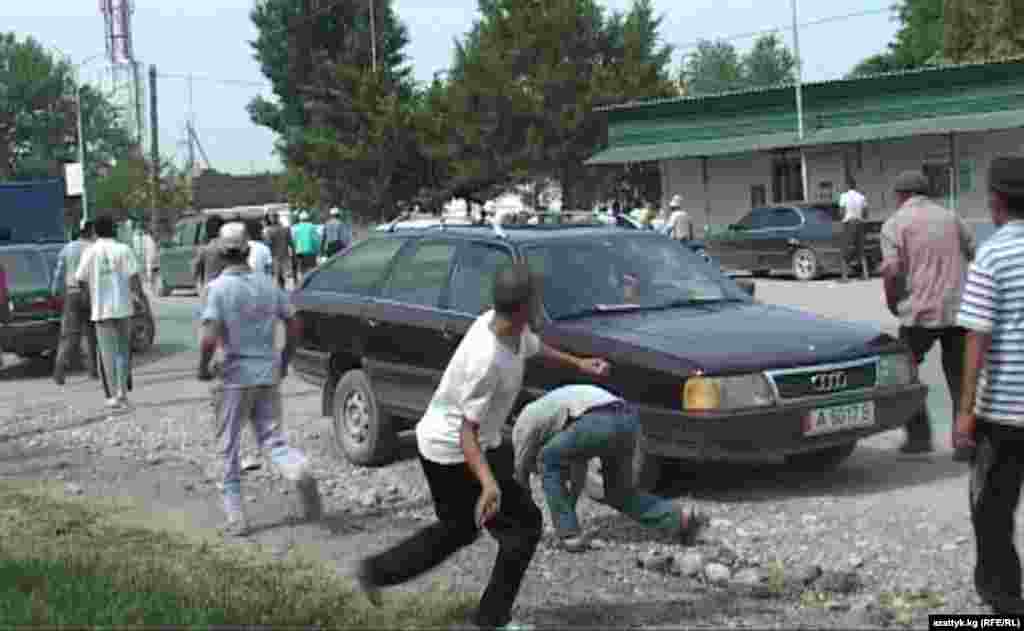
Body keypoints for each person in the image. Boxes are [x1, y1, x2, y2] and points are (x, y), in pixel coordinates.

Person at [355, 263, 611, 629]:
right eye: (537, 299)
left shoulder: (507, 325)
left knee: (458, 529)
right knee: (523, 528)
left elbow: (534, 348)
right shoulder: (486, 359)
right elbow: (466, 433)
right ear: (524, 307)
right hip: (452, 451)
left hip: (461, 444)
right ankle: (491, 620)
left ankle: (377, 571)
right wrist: (488, 482)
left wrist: (580, 364)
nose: (542, 304)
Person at [198, 222, 322, 536]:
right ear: (248, 250)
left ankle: (237, 519)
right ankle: (300, 470)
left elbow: (210, 336)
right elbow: (294, 324)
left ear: (221, 253)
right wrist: (284, 359)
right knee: (273, 442)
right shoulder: (269, 285)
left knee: (228, 446)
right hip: (268, 372)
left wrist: (203, 366)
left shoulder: (218, 289)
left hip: (233, 377)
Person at [513, 385, 709, 552]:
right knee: (619, 494)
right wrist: (568, 512)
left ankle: (568, 537)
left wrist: (525, 524)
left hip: (599, 418)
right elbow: (578, 470)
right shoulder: (557, 413)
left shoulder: (525, 418)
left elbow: (520, 475)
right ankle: (680, 519)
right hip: (628, 420)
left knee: (547, 459)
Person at [953, 156, 1024, 615]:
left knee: (992, 510)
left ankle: (1004, 604)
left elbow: (976, 340)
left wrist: (964, 414)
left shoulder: (993, 255)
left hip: (1004, 415)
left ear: (996, 202)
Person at [880, 170, 976, 458]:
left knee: (904, 372)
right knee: (961, 378)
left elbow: (892, 272)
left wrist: (893, 302)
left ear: (901, 195)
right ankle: (965, 443)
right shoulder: (952, 218)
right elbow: (973, 253)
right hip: (959, 310)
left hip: (918, 312)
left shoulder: (894, 224)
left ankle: (919, 437)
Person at [74, 214, 143, 409]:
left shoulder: (90, 251)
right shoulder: (123, 249)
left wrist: (88, 296)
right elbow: (134, 277)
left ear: (95, 231)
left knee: (107, 354)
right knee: (123, 352)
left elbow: (80, 278)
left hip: (101, 310)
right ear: (114, 230)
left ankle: (111, 396)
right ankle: (122, 392)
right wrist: (138, 298)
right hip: (123, 308)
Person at [52, 219, 99, 385]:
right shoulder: (94, 249)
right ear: (91, 232)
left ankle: (59, 369)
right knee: (92, 334)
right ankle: (93, 370)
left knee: (69, 336)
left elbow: (58, 273)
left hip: (71, 295)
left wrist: (55, 291)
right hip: (91, 295)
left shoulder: (67, 248)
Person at [839, 180, 870, 281]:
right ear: (855, 186)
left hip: (849, 224)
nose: (843, 187)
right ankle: (865, 275)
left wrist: (841, 217)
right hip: (860, 224)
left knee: (845, 250)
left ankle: (845, 276)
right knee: (861, 249)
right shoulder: (861, 197)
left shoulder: (843, 196)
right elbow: (866, 214)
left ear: (848, 185)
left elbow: (842, 212)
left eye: (844, 185)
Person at [193, 215, 227, 303]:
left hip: (210, 291)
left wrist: (200, 290)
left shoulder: (204, 250)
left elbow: (195, 272)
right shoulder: (230, 249)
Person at [263, 211, 293, 289]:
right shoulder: (285, 229)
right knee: (286, 278)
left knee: (276, 278)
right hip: (284, 256)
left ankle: (280, 293)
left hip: (275, 257)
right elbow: (291, 243)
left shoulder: (268, 230)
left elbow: (267, 243)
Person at [291, 210, 319, 283]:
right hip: (311, 252)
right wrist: (317, 251)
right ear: (308, 218)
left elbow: (293, 241)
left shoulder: (295, 228)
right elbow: (316, 240)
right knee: (312, 269)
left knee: (302, 270)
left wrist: (294, 251)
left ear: (300, 219)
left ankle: (303, 284)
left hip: (300, 252)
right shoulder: (312, 227)